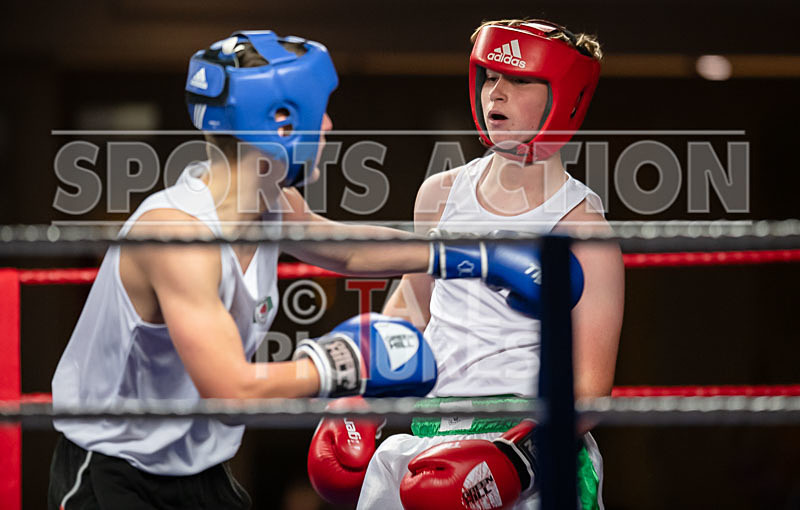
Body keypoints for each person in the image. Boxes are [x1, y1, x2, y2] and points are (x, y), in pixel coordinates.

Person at [47, 30, 555, 510]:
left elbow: (345, 250)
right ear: (282, 122)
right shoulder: (178, 239)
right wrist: (342, 364)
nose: (329, 127)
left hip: (199, 466)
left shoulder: (270, 202)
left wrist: (461, 256)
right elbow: (231, 390)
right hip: (114, 469)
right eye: (321, 113)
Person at [306, 19, 625, 510]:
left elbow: (589, 392)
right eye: (490, 77)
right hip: (427, 442)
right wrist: (357, 402)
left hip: (527, 454)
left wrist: (515, 460)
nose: (496, 93)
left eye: (519, 80)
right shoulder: (440, 195)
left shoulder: (584, 228)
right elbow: (411, 308)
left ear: (562, 96)